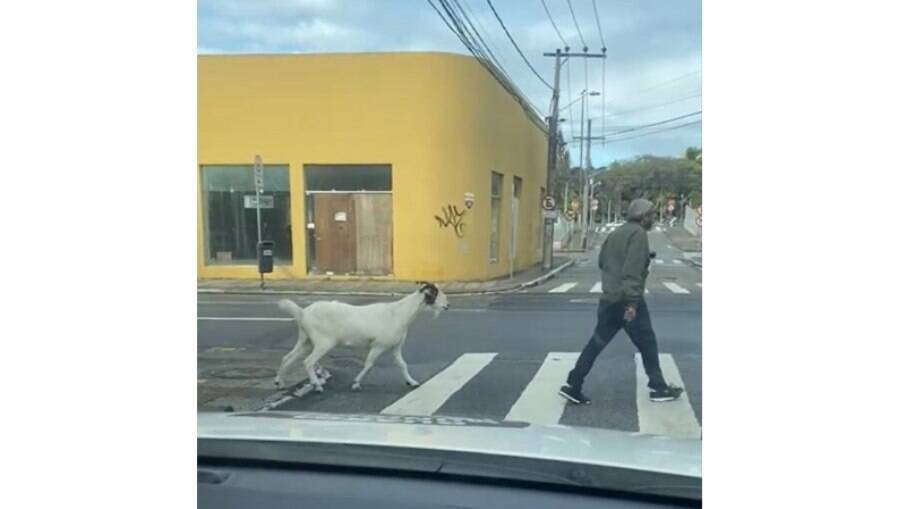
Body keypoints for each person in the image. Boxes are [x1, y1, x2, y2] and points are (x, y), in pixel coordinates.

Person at [559, 198, 684, 405]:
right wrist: (632, 304)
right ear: (643, 217)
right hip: (626, 300)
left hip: (609, 298)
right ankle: (658, 387)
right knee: (648, 344)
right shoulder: (638, 234)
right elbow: (632, 271)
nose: (653, 219)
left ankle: (573, 384)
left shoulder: (616, 233)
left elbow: (603, 262)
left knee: (596, 343)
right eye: (652, 215)